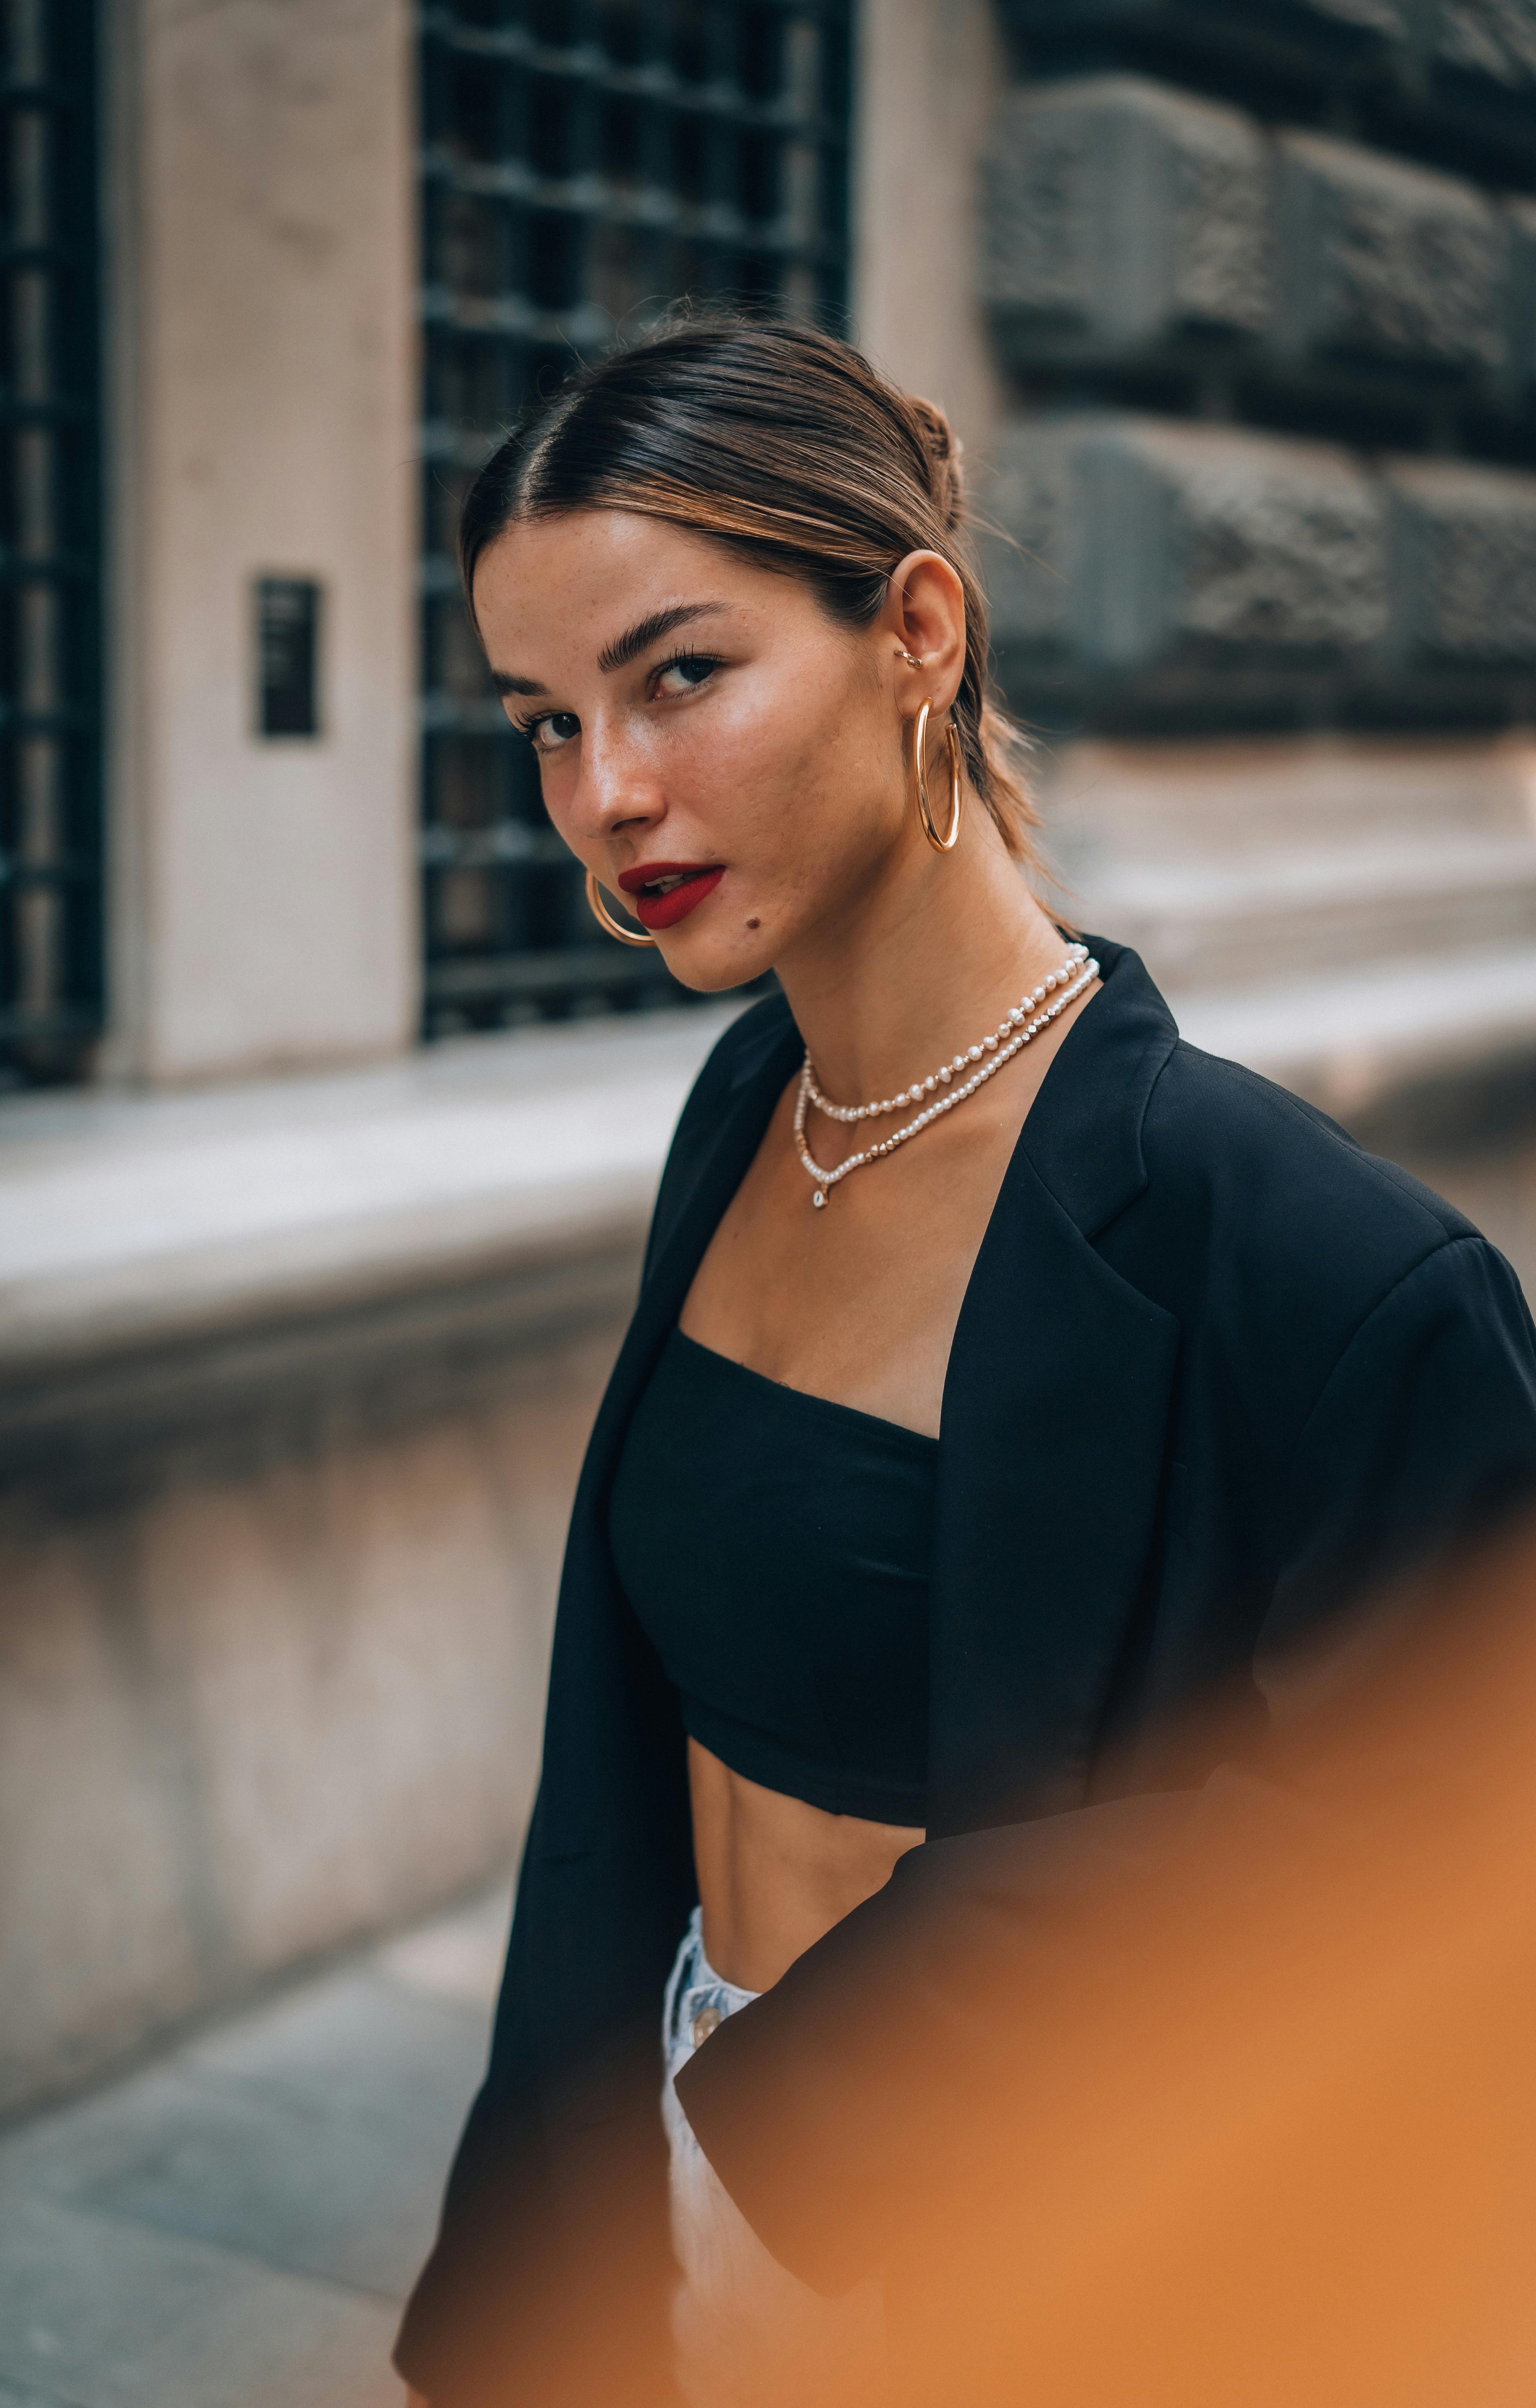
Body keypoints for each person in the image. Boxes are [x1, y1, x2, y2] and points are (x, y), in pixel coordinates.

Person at [393, 315, 1536, 2408]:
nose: (605, 796)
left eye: (680, 674)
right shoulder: (747, 1106)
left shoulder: (1325, 1272)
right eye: (543, 722)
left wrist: (833, 2116)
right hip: (658, 2153)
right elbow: (623, 1739)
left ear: (916, 627)